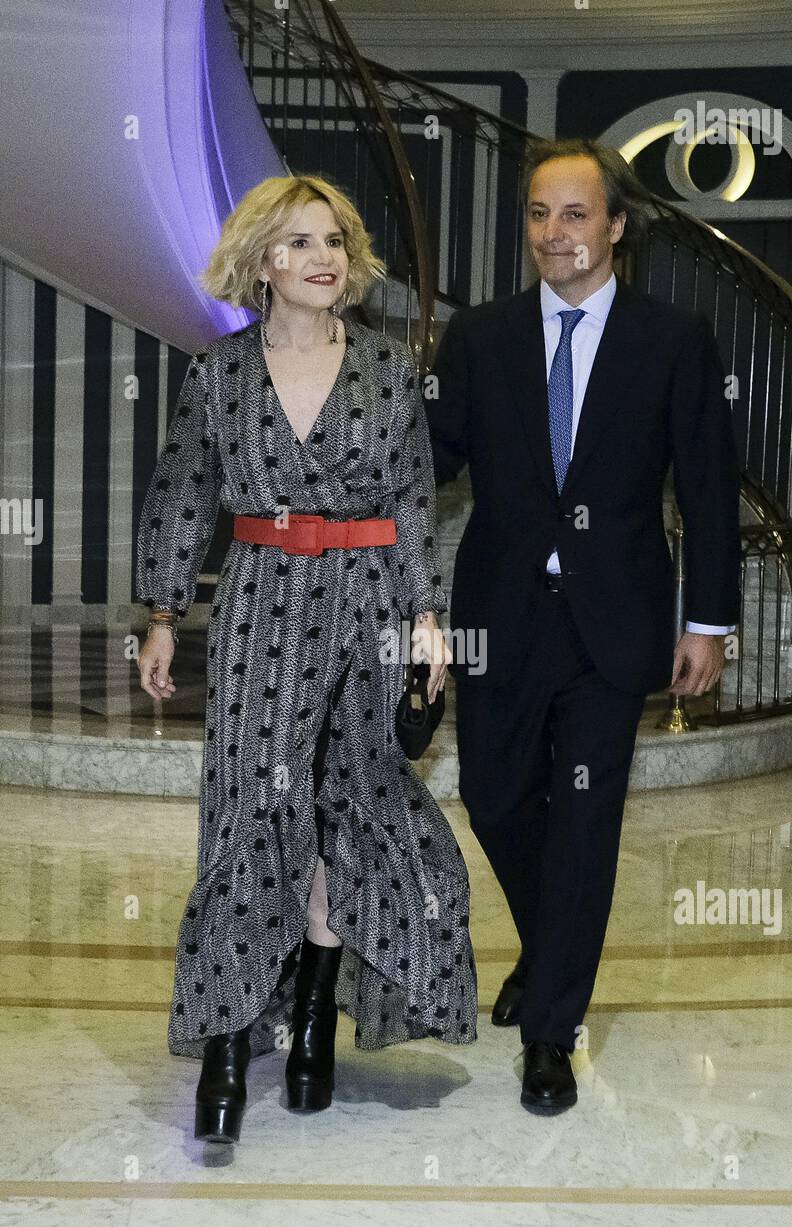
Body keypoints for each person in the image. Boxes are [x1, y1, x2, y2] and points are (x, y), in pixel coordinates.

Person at [135, 174, 476, 1145]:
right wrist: (161, 611)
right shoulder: (220, 374)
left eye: (331, 240)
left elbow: (413, 499)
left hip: (367, 600)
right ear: (259, 264)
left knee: (348, 802)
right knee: (248, 812)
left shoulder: (384, 369)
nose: (320, 257)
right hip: (261, 605)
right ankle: (230, 1036)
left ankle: (318, 1009)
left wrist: (423, 617)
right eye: (295, 244)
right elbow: (184, 493)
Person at [425, 137, 740, 1115]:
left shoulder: (673, 338)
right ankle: (550, 943)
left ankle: (551, 1030)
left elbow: (708, 490)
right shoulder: (477, 338)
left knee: (587, 820)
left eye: (571, 214)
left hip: (615, 620)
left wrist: (708, 621)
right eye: (535, 214)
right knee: (492, 795)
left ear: (612, 227)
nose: (551, 234)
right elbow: (423, 463)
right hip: (499, 613)